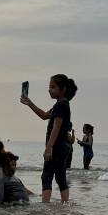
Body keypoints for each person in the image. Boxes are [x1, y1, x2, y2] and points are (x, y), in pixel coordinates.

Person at [20, 73, 77, 202]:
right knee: (60, 177)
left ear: (63, 89)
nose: (49, 90)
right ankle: (65, 204)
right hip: (62, 146)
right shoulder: (61, 104)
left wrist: (49, 147)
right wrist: (29, 103)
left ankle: (45, 206)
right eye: (49, 87)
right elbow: (44, 116)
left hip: (57, 146)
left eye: (53, 87)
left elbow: (56, 127)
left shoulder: (61, 105)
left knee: (46, 176)